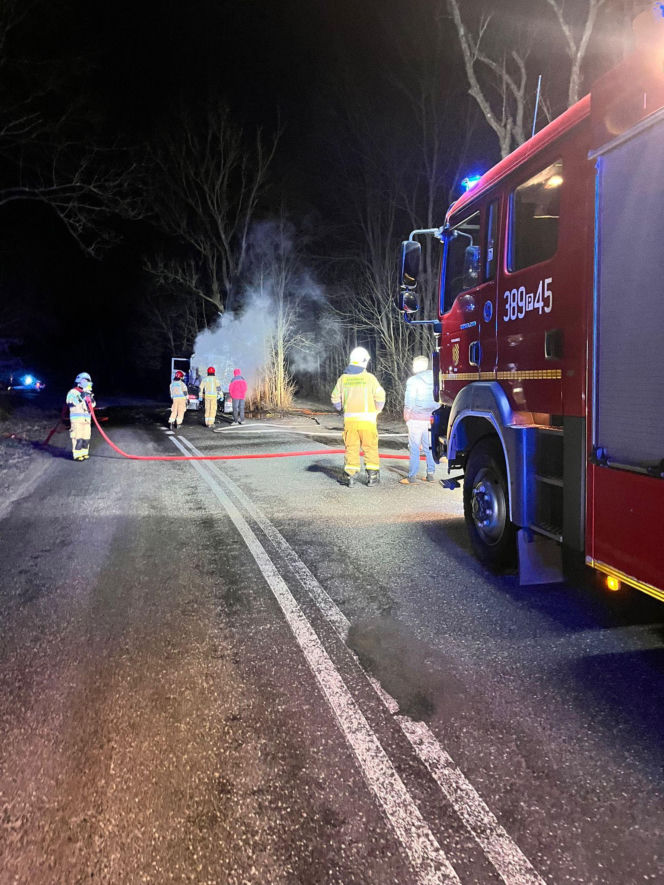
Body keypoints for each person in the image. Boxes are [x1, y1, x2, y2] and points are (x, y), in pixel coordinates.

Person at [331, 346, 385, 487]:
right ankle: (372, 477)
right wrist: (377, 410)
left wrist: (340, 408)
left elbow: (335, 397)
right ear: (364, 361)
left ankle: (350, 476)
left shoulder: (343, 379)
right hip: (368, 422)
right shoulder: (370, 378)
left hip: (350, 422)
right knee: (370, 447)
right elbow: (380, 396)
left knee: (351, 448)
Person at [400, 355, 438, 484]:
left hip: (416, 418)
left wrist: (407, 414)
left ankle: (412, 477)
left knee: (415, 448)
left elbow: (409, 399)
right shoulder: (436, 378)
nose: (413, 367)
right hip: (431, 418)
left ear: (419, 366)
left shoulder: (413, 380)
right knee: (429, 448)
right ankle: (431, 474)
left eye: (414, 365)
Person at [66, 372, 95, 461]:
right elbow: (70, 402)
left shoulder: (88, 393)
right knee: (78, 438)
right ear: (79, 381)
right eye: (84, 380)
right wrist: (81, 396)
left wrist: (90, 397)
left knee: (86, 438)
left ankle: (84, 453)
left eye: (88, 381)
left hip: (87, 420)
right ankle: (77, 455)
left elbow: (93, 405)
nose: (86, 382)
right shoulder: (73, 392)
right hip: (77, 420)